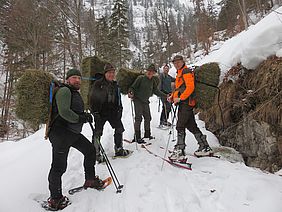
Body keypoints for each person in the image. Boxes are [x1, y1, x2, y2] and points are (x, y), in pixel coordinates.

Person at [47, 69, 105, 210]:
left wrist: (85, 115)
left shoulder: (73, 92)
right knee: (59, 167)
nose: (77, 80)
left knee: (90, 150)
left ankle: (90, 180)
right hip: (60, 134)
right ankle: (55, 199)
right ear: (68, 80)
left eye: (79, 78)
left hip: (71, 133)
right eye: (74, 77)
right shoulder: (64, 91)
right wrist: (80, 118)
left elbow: (74, 110)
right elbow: (64, 112)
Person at [168, 55, 213, 159]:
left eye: (178, 62)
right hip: (184, 103)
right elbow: (180, 89)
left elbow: (190, 87)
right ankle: (204, 147)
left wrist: (181, 98)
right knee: (191, 126)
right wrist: (172, 96)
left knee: (180, 126)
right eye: (175, 63)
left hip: (186, 103)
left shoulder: (186, 71)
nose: (176, 64)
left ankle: (180, 150)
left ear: (183, 62)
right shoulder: (179, 72)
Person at [89, 63, 131, 163]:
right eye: (109, 73)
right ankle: (96, 153)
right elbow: (92, 99)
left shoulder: (115, 85)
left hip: (112, 112)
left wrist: (120, 109)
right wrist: (95, 112)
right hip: (100, 112)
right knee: (98, 132)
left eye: (113, 73)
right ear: (105, 73)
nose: (111, 74)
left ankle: (119, 149)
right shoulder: (98, 84)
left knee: (119, 128)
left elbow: (118, 99)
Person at [128, 64, 167, 143]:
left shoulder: (152, 81)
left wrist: (165, 96)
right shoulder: (141, 78)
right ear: (146, 71)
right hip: (137, 100)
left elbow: (156, 91)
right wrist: (130, 92)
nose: (150, 73)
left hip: (145, 101)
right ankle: (137, 137)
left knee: (148, 117)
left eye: (152, 72)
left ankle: (147, 134)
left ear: (154, 73)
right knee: (138, 118)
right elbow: (132, 87)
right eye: (149, 71)